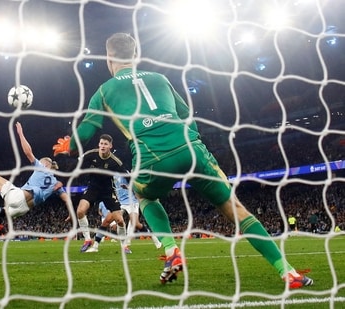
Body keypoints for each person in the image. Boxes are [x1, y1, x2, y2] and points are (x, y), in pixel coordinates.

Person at [52, 33, 313, 289]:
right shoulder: (160, 78)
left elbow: (87, 130)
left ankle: (172, 250)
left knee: (144, 197)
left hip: (153, 156)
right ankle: (287, 272)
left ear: (109, 58)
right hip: (192, 149)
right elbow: (188, 114)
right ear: (135, 55)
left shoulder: (105, 90)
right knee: (236, 209)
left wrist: (70, 147)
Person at [0, 122, 71, 220]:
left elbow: (28, 152)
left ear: (46, 163)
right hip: (24, 209)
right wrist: (71, 214)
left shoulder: (41, 167)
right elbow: (67, 199)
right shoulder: (56, 184)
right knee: (6, 211)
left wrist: (21, 134)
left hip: (19, 197)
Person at [66, 134, 129, 253]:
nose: (103, 146)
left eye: (105, 144)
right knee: (80, 211)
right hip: (93, 188)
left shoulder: (115, 161)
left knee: (120, 220)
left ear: (110, 146)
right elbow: (78, 163)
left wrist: (131, 186)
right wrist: (68, 153)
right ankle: (87, 240)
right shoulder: (91, 154)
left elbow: (127, 175)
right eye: (101, 143)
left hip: (108, 191)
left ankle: (124, 245)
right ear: (98, 144)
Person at [113, 175, 162, 251]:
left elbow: (136, 186)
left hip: (132, 201)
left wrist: (128, 188)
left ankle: (154, 239)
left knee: (135, 223)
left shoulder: (125, 173)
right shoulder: (112, 175)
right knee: (117, 220)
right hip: (121, 202)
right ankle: (124, 245)